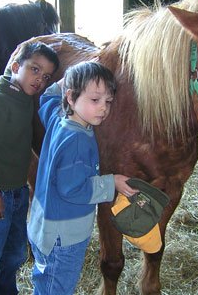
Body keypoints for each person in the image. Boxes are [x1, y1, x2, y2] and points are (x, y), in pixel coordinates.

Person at [28, 61, 137, 295]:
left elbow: (47, 98)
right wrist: (112, 182)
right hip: (62, 237)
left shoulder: (58, 119)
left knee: (44, 280)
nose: (103, 109)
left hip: (41, 225)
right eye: (95, 100)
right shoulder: (77, 140)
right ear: (70, 97)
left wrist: (66, 77)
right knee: (57, 288)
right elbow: (73, 188)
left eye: (108, 101)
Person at [0, 42, 59, 295]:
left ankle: (7, 290)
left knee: (15, 252)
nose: (39, 79)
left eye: (45, 76)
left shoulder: (25, 99)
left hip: (19, 191)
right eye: (34, 69)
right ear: (16, 66)